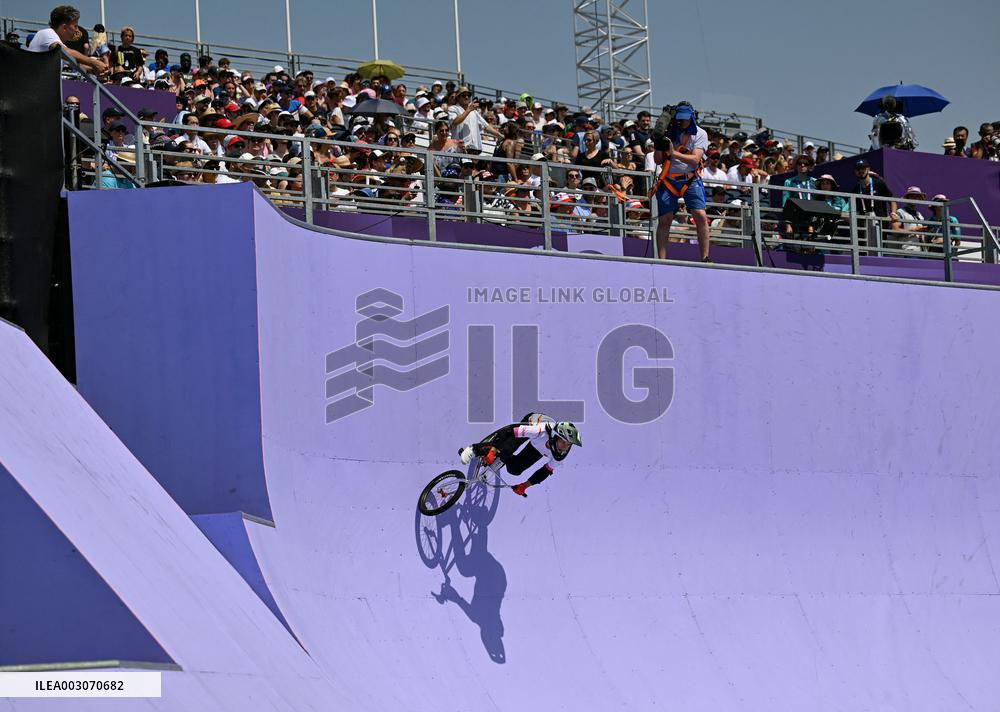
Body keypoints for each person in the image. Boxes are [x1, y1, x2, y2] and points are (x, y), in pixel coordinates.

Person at [457, 413, 582, 498]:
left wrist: (524, 486)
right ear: (555, 437)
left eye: (569, 445)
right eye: (563, 442)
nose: (565, 447)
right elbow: (508, 431)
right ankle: (474, 449)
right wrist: (494, 451)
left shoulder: (560, 456)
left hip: (538, 446)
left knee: (515, 469)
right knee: (507, 447)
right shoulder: (538, 431)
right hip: (532, 423)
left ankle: (502, 456)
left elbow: (544, 471)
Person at [650, 103, 711, 261]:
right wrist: (659, 143)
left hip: (690, 179)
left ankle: (705, 257)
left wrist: (673, 153)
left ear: (692, 117)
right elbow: (657, 160)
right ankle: (662, 260)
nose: (682, 122)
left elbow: (695, 159)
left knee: (700, 215)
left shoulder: (700, 133)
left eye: (685, 118)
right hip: (668, 179)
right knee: (665, 220)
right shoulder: (668, 132)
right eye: (680, 119)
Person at [27, 5, 108, 74]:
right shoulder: (47, 33)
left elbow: (74, 64)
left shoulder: (57, 44)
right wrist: (93, 62)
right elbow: (66, 52)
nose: (77, 30)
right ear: (64, 27)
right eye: (75, 26)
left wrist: (95, 69)